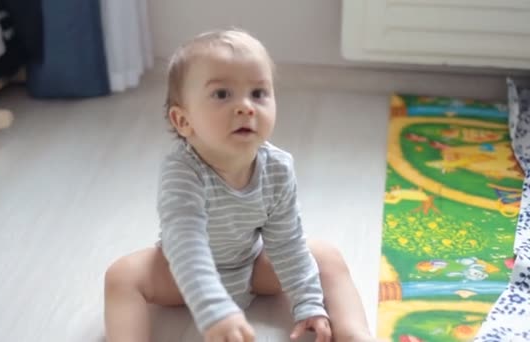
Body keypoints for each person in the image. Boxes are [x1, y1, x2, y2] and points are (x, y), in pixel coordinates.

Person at [104, 29, 378, 342]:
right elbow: (186, 248)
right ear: (183, 121)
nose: (246, 107)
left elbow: (286, 241)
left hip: (250, 265)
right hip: (180, 274)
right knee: (122, 276)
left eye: (259, 93)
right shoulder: (182, 173)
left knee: (325, 255)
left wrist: (308, 303)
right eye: (222, 94)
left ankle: (355, 333)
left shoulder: (277, 167)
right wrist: (215, 309)